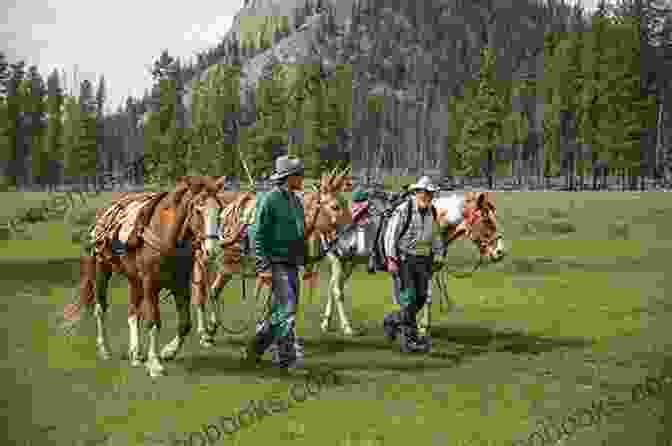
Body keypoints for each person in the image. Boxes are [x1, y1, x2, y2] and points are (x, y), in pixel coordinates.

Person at [244, 155, 306, 369]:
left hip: (292, 264)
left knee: (285, 311)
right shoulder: (269, 199)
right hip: (275, 264)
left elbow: (299, 234)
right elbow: (256, 234)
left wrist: (306, 261)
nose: (303, 177)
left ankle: (257, 347)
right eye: (299, 174)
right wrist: (263, 267)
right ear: (288, 177)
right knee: (286, 311)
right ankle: (287, 359)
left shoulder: (296, 201)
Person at [382, 175, 440, 353]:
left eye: (430, 193)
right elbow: (391, 235)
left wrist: (438, 255)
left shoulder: (432, 212)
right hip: (404, 259)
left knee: (421, 297)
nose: (427, 196)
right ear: (417, 192)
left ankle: (393, 319)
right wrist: (391, 259)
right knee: (409, 299)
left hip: (423, 261)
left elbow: (435, 236)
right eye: (424, 192)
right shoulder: (404, 209)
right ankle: (410, 340)